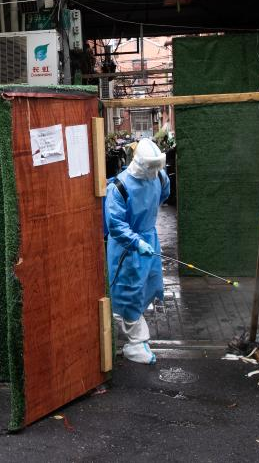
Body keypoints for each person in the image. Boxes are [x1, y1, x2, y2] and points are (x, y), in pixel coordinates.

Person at [103, 137, 170, 364]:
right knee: (127, 290)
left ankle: (127, 332)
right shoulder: (119, 187)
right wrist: (136, 242)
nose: (153, 172)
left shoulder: (159, 176)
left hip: (148, 240)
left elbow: (163, 194)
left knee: (148, 284)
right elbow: (116, 224)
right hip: (127, 249)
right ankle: (135, 341)